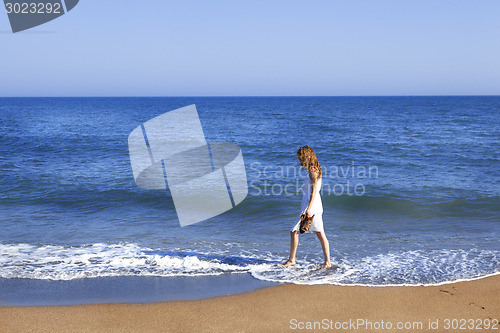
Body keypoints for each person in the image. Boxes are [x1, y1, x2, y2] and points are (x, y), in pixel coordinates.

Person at [282, 145, 332, 268]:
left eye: (301, 157)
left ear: (306, 156)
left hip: (311, 205)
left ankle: (292, 260)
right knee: (320, 234)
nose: (300, 160)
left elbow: (314, 191)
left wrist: (308, 209)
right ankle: (327, 262)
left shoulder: (313, 171)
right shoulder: (316, 169)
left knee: (294, 231)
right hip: (314, 204)